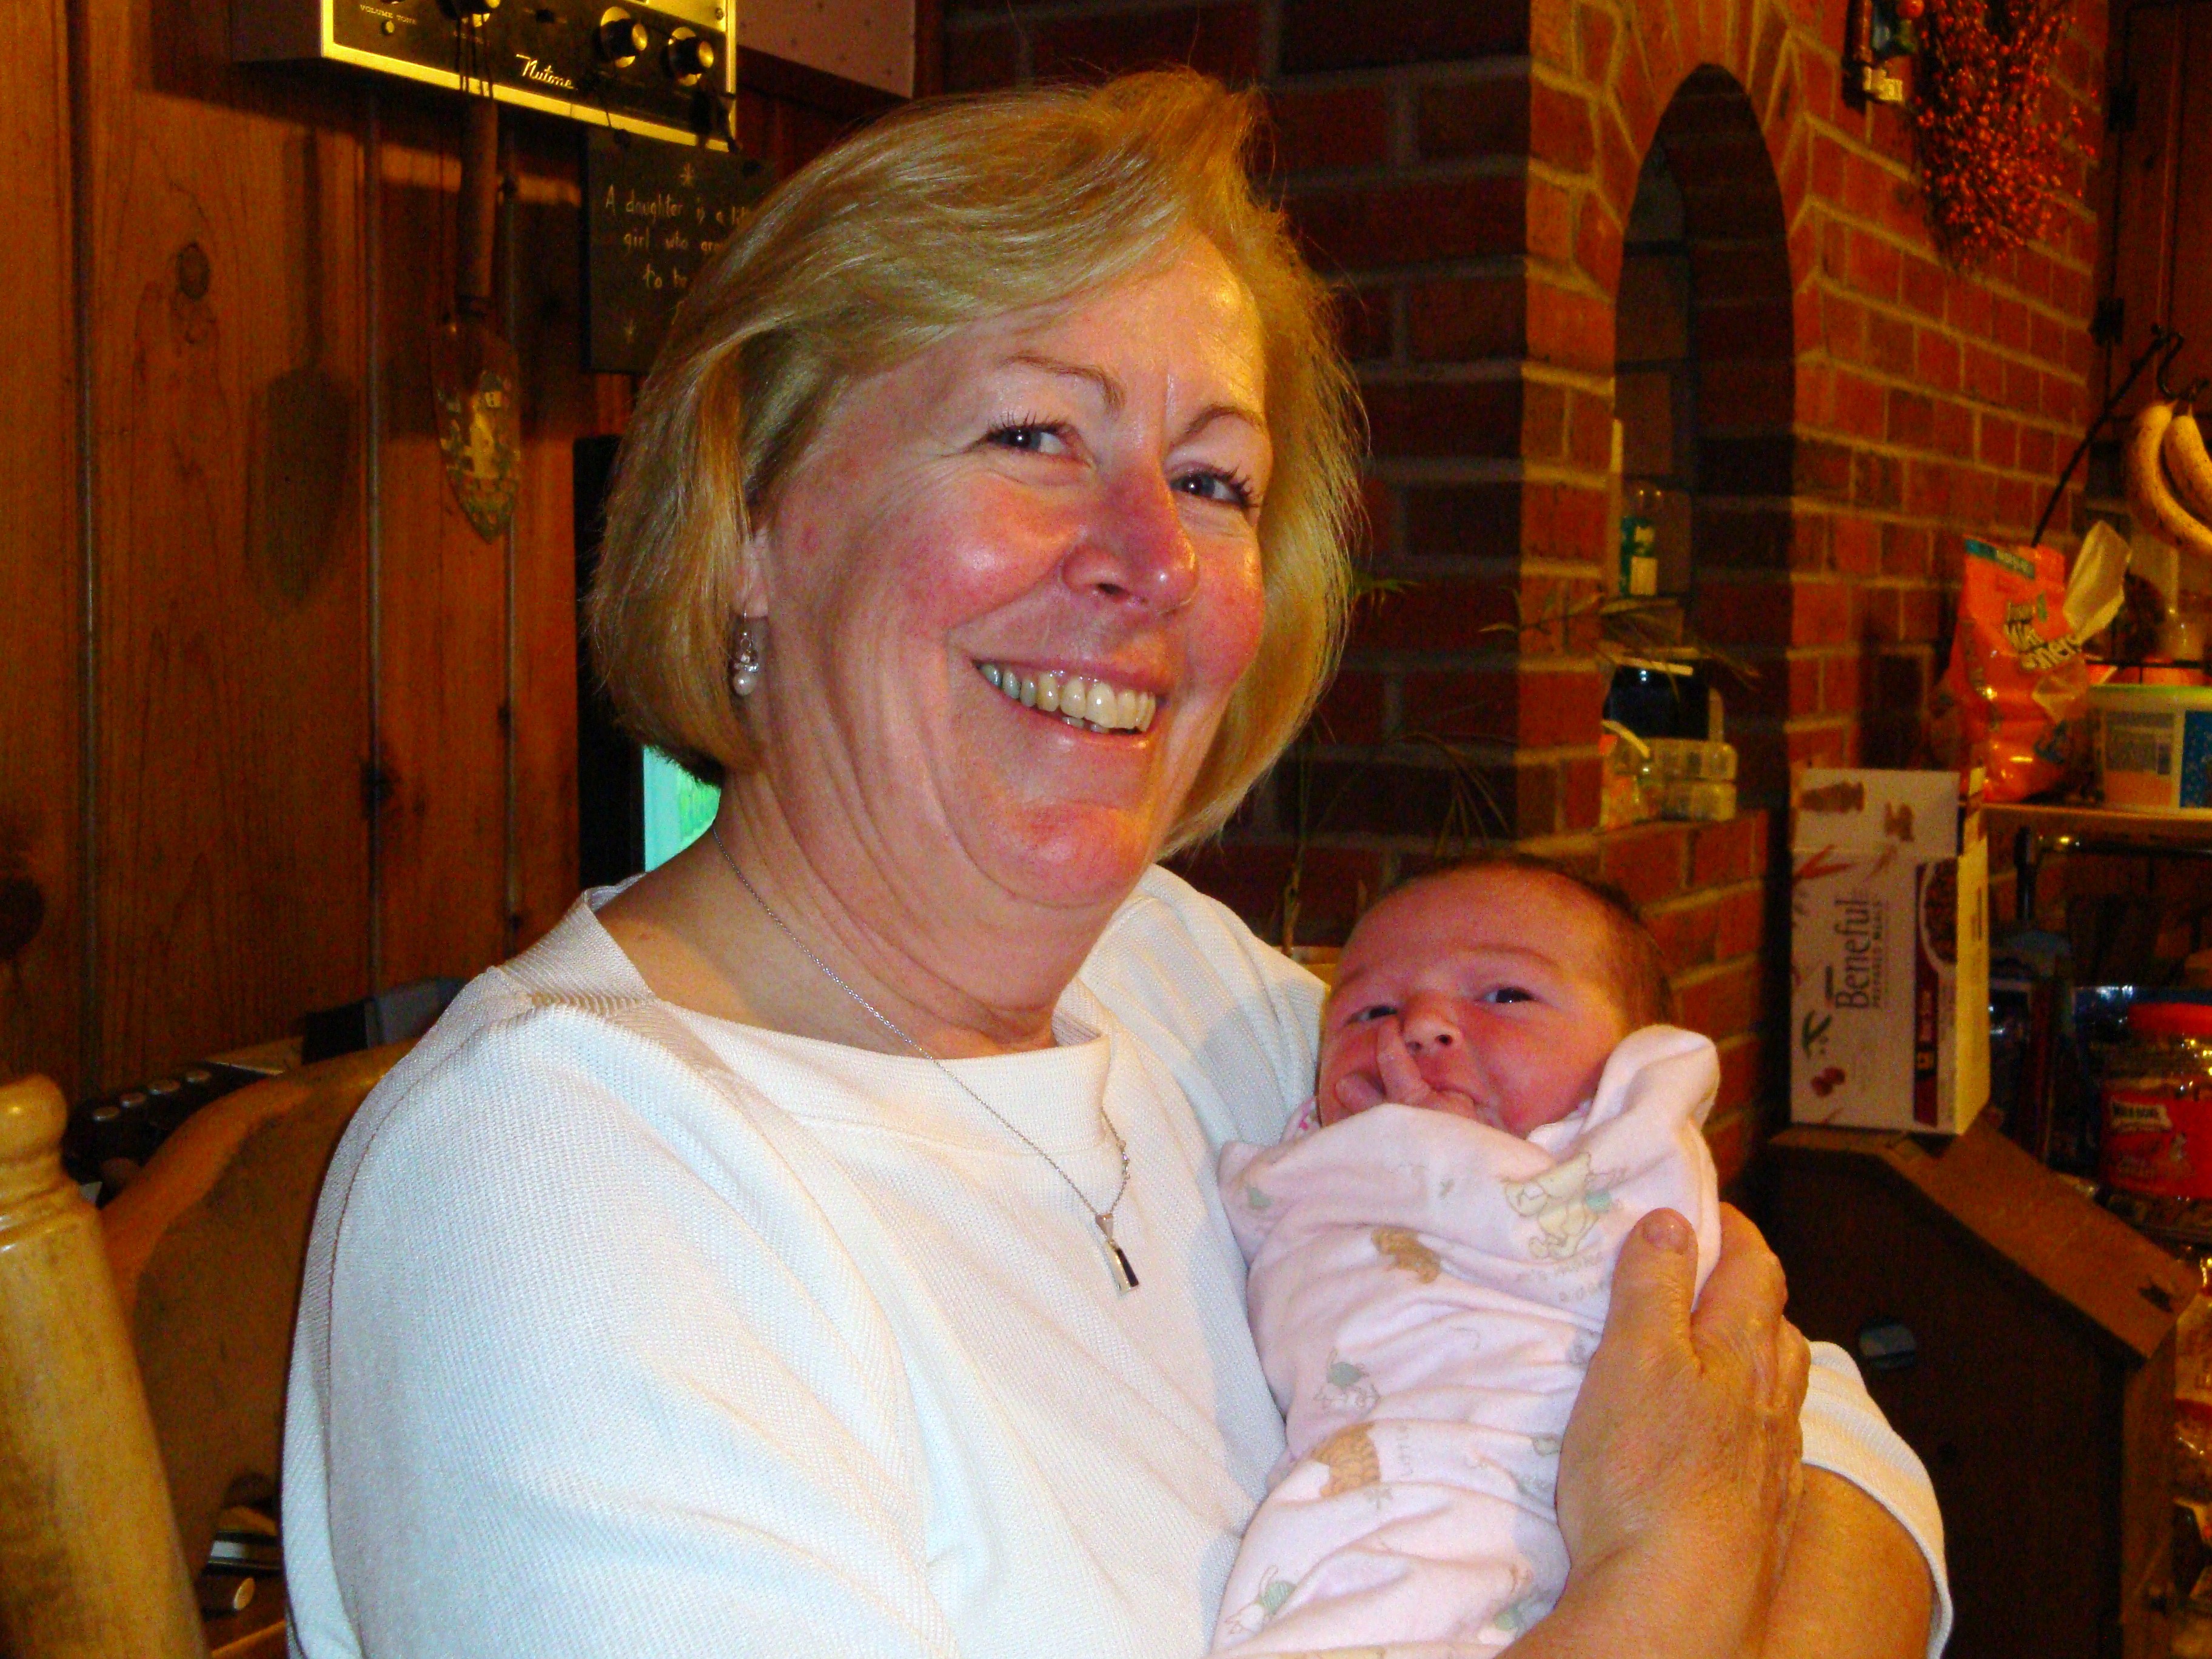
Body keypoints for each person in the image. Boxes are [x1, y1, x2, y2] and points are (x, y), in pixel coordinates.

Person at [282, 70, 1941, 1658]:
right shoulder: (559, 1185)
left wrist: (1712, 1532)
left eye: (1212, 479)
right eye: (1032, 436)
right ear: (751, 527)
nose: (1156, 561)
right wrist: (1674, 1578)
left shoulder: (1173, 973)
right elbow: (1714, 1481)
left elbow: (1821, 1439)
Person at [1212, 859, 1949, 1654]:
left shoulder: (1624, 1163)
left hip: (1548, 1521)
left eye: (1506, 996)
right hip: (1368, 1534)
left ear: (1628, 1069)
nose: (1418, 1024)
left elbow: (1781, 1394)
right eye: (1370, 1011)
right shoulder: (1308, 1168)